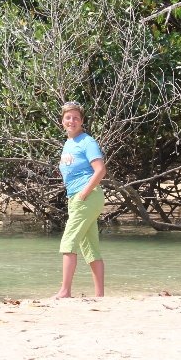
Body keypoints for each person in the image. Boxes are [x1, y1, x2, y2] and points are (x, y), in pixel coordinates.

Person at [54, 100, 107, 298]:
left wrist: (84, 194)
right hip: (77, 198)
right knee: (90, 247)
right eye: (68, 117)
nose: (72, 121)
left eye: (76, 117)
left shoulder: (87, 141)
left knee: (68, 242)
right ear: (62, 121)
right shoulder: (68, 143)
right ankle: (99, 296)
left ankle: (65, 291)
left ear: (82, 121)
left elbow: (100, 170)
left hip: (87, 197)